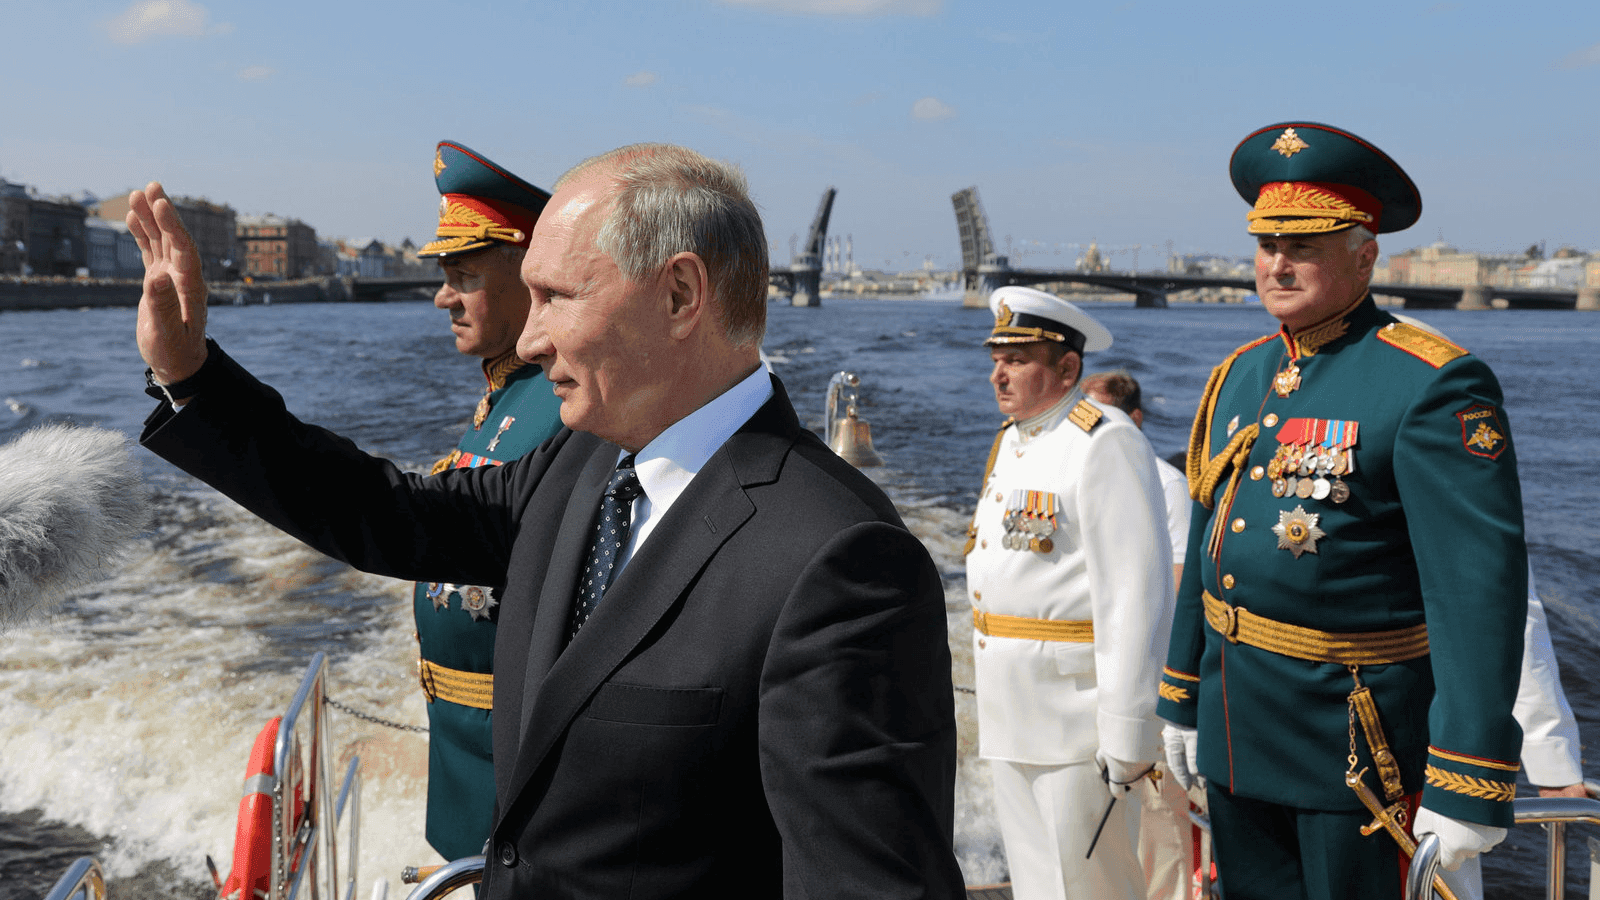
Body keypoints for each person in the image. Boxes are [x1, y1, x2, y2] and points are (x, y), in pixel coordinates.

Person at [129, 143, 966, 900]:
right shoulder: (583, 465)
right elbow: (391, 513)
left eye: (555, 297)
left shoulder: (840, 562)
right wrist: (192, 376)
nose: (529, 340)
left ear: (680, 295)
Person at [1155, 122, 1528, 900]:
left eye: (1304, 246)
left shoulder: (1430, 385)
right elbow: (1208, 543)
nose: (1277, 264)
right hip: (1237, 729)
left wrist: (1468, 774)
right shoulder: (1238, 376)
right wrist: (1181, 695)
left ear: (1365, 256)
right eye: (1267, 245)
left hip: (1355, 753)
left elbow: (1474, 594)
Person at [963, 286, 1174, 900]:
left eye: (1017, 359)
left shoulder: (1103, 440)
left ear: (1068, 368)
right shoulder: (1014, 438)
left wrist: (1129, 733)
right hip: (1011, 709)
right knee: (1037, 885)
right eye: (996, 359)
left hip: (1076, 724)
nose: (999, 374)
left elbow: (1134, 594)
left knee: (1087, 888)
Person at [407, 140, 565, 861]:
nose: (443, 298)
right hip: (466, 757)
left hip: (522, 777)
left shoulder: (563, 407)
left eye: (463, 277)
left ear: (530, 275)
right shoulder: (509, 394)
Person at [1080, 370, 1194, 900]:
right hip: (1093, 680)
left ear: (1136, 419)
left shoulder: (1165, 484)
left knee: (1159, 831)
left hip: (1149, 682)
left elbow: (1176, 587)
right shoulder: (1080, 474)